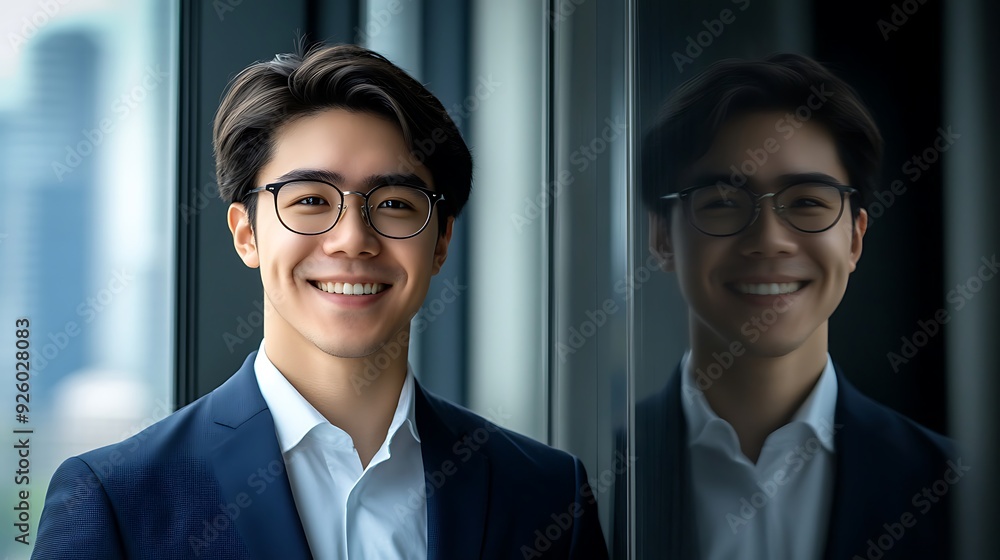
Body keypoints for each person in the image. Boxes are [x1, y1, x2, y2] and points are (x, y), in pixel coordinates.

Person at [34, 44, 608, 559]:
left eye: (394, 203)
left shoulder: (545, 494)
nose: (353, 238)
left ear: (441, 243)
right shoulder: (114, 500)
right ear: (247, 234)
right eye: (309, 199)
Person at [615, 54, 962, 559]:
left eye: (807, 202)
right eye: (723, 201)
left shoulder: (956, 488)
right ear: (662, 237)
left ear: (855, 240)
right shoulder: (586, 475)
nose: (770, 241)